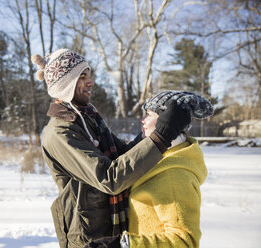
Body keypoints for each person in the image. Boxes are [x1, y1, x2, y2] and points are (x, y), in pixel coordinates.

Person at [31, 49, 191, 248]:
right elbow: (109, 177)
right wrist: (161, 137)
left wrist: (152, 130)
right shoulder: (60, 133)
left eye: (88, 75)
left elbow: (122, 154)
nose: (91, 82)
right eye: (82, 76)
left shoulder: (89, 118)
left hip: (112, 229)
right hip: (88, 238)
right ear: (64, 85)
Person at [87, 91, 213, 248]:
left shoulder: (174, 175)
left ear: (168, 121)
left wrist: (125, 245)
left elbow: (184, 241)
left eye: (149, 114)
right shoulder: (156, 162)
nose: (142, 120)